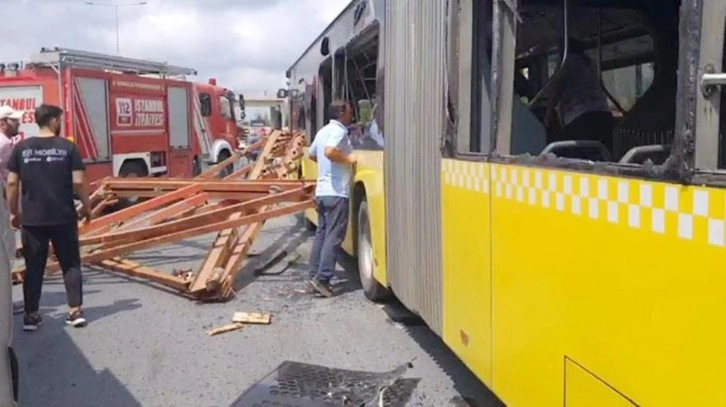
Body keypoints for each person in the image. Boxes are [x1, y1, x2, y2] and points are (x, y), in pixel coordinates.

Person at [6, 104, 92, 331]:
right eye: (60, 119)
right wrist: (88, 206)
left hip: (33, 219)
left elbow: (12, 183)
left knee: (34, 266)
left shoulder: (22, 148)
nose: (61, 123)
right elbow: (79, 182)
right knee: (70, 263)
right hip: (63, 217)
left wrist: (14, 212)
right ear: (54, 120)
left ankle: (31, 315)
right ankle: (75, 312)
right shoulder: (67, 148)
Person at [306, 100, 357, 297]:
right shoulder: (339, 131)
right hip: (337, 192)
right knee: (334, 237)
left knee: (322, 234)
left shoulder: (321, 131)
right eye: (350, 111)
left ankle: (313, 275)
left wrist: (327, 169)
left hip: (322, 191)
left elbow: (313, 154)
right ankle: (323, 279)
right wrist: (347, 160)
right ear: (342, 113)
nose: (351, 115)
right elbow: (329, 151)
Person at [544, 37, 614, 152]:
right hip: (604, 114)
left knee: (579, 157)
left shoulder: (566, 63)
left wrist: (548, 116)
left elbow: (556, 90)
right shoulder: (590, 64)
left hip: (581, 117)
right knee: (602, 154)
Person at [0, 106, 22, 187]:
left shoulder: (6, 141)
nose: (18, 123)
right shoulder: (1, 142)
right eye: (14, 120)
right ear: (2, 124)